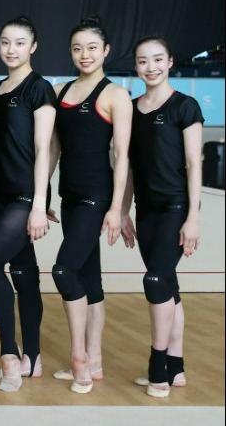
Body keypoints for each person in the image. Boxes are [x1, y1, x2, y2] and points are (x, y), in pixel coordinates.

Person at [49, 16, 132, 394]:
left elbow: (123, 155)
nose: (84, 54)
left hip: (96, 197)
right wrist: (44, 195)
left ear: (106, 51)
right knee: (89, 278)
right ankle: (95, 360)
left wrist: (117, 208)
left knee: (64, 270)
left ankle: (80, 356)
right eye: (77, 48)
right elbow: (53, 149)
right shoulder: (60, 89)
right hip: (69, 195)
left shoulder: (114, 94)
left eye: (92, 48)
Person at [0, 16, 56, 392]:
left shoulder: (40, 89)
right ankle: (34, 358)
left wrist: (39, 203)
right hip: (1, 195)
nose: (11, 49)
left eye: (19, 43)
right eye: (5, 42)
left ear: (33, 46)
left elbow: (44, 149)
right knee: (24, 273)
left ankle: (10, 353)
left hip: (26, 195)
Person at [122, 36, 203, 398]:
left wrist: (193, 218)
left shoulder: (185, 106)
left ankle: (157, 364)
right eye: (143, 61)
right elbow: (127, 167)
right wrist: (122, 210)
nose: (150, 67)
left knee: (154, 281)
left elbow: (193, 164)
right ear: (136, 66)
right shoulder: (131, 109)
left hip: (175, 209)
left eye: (157, 59)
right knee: (168, 285)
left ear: (170, 61)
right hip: (146, 211)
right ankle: (177, 366)